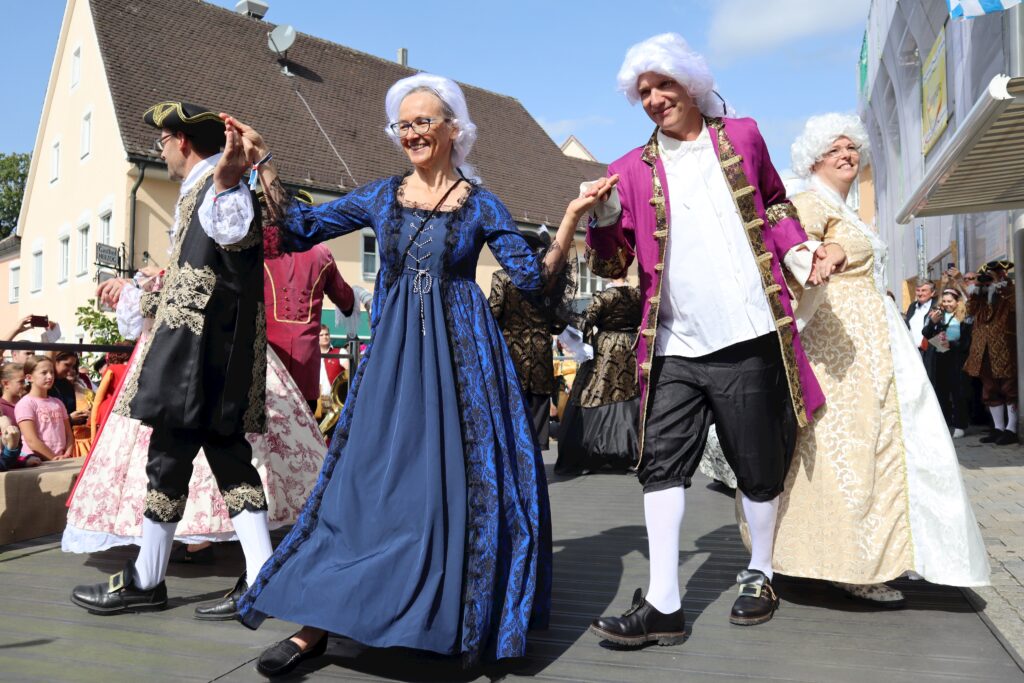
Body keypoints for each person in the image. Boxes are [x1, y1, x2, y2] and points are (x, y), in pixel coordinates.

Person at [227, 73, 580, 676]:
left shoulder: (481, 202)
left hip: (465, 360)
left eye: (424, 121)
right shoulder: (381, 196)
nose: (412, 132)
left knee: (455, 486)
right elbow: (296, 229)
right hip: (393, 358)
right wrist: (260, 165)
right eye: (404, 124)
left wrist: (571, 216)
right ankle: (318, 625)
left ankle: (454, 625)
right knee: (361, 484)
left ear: (454, 130)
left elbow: (533, 283)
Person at [583, 33, 827, 646]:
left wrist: (798, 254)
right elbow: (613, 267)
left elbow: (773, 204)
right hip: (671, 344)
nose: (656, 99)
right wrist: (605, 219)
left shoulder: (742, 135)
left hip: (746, 331)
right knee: (660, 466)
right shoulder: (625, 171)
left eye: (665, 85)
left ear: (691, 84)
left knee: (756, 464)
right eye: (643, 92)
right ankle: (664, 602)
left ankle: (761, 572)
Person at [764, 113, 989, 607]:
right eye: (836, 149)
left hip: (872, 344)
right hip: (837, 346)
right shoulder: (807, 201)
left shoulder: (842, 207)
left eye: (853, 148)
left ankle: (871, 554)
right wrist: (832, 253)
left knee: (882, 445)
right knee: (848, 446)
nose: (848, 155)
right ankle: (848, 562)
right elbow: (797, 254)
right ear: (815, 157)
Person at [68, 101, 275, 622]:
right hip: (197, 354)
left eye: (162, 140)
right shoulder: (203, 191)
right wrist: (145, 295)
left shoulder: (219, 188)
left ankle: (151, 580)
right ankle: (255, 575)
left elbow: (231, 252)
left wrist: (235, 177)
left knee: (180, 458)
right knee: (219, 457)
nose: (161, 150)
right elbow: (196, 276)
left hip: (199, 357)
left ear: (181, 139)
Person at [263, 190, 355, 415]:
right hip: (307, 371)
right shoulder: (323, 253)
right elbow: (346, 301)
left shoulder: (261, 243)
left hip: (268, 368)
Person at [489, 228, 569, 448]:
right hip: (541, 353)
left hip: (511, 353)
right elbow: (559, 321)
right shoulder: (549, 280)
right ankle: (537, 468)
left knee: (512, 407)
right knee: (538, 410)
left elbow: (493, 311)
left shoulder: (502, 277)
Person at [555, 277, 642, 473]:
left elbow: (585, 322)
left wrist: (562, 319)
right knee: (630, 391)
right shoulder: (638, 295)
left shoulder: (603, 297)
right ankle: (630, 452)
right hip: (631, 347)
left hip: (605, 348)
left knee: (594, 391)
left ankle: (592, 452)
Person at [964, 260, 1018, 445]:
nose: (989, 281)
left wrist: (999, 284)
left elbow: (1016, 304)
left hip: (1005, 348)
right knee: (990, 389)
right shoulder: (981, 296)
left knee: (1010, 388)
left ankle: (1012, 428)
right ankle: (998, 427)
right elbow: (969, 312)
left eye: (994, 275)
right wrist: (977, 288)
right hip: (983, 350)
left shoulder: (1009, 291)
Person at [922, 289, 971, 438]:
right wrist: (932, 322)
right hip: (940, 357)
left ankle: (960, 425)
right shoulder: (938, 315)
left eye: (950, 301)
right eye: (944, 301)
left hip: (957, 359)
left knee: (958, 392)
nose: (947, 304)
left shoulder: (963, 317)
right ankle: (945, 423)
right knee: (941, 392)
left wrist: (952, 344)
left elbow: (967, 341)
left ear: (957, 302)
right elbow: (926, 333)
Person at [16, 355, 73, 462]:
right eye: (44, 373)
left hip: (61, 460)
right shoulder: (26, 403)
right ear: (29, 378)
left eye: (52, 372)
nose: (50, 376)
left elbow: (69, 434)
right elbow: (31, 440)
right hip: (37, 462)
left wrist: (67, 454)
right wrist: (54, 458)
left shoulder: (58, 403)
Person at [317, 324, 343, 410]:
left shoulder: (340, 352)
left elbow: (350, 373)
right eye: (321, 335)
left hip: (334, 402)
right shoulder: (311, 354)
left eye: (326, 334)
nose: (325, 337)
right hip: (316, 401)